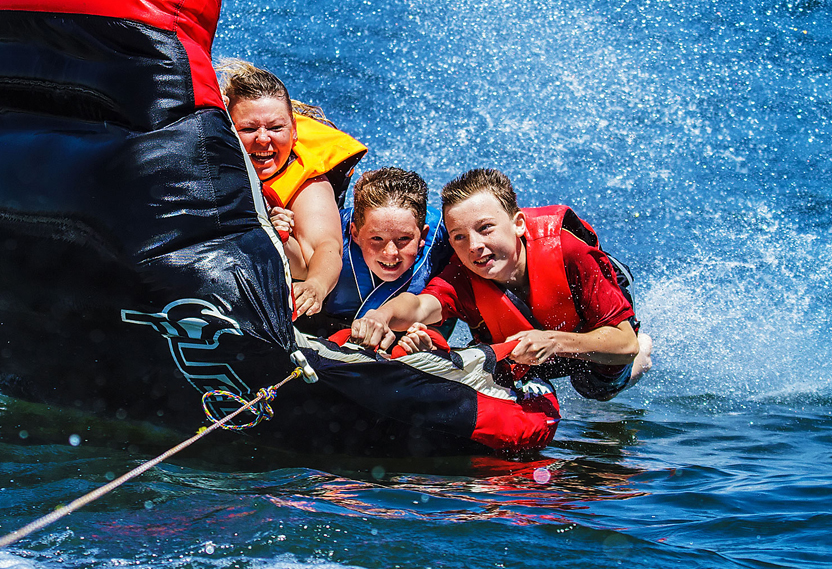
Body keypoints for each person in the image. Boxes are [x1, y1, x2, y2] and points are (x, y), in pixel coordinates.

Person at [349, 168, 653, 400]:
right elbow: (419, 306)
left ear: (518, 223)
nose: (475, 246)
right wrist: (381, 315)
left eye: (486, 229)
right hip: (529, 352)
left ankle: (643, 359)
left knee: (596, 389)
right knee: (496, 373)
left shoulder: (569, 253)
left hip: (590, 340)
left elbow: (624, 344)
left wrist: (554, 341)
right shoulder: (461, 275)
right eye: (460, 237)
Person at [217, 59, 366, 317]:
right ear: (228, 128)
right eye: (249, 128)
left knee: (276, 235)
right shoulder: (207, 155)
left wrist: (316, 286)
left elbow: (324, 247)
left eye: (276, 128)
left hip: (287, 290)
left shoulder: (308, 183)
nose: (264, 139)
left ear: (294, 130)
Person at [294, 167, 453, 337]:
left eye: (404, 239)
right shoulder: (330, 232)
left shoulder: (445, 243)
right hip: (320, 328)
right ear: (355, 234)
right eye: (377, 239)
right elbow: (293, 259)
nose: (390, 253)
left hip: (400, 338)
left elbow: (454, 302)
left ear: (423, 235)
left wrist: (433, 338)